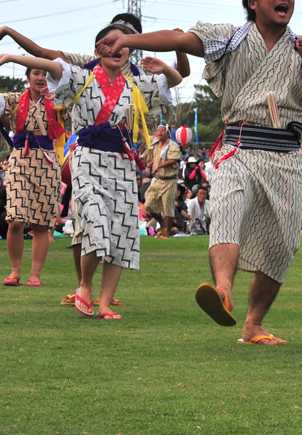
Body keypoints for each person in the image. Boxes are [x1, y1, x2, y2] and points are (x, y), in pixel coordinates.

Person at [96, 0, 302, 344]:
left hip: (285, 154)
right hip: (238, 146)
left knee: (283, 243)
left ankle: (253, 325)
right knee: (227, 212)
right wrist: (131, 41)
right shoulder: (228, 37)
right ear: (253, 1)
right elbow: (180, 39)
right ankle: (223, 292)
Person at [3, 35, 180, 319]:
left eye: (123, 45)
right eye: (110, 44)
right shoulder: (80, 77)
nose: (117, 50)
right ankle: (85, 284)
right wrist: (11, 58)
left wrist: (164, 67)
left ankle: (105, 302)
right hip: (86, 159)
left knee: (121, 232)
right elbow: (45, 60)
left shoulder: (135, 85)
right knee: (96, 222)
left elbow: (175, 80)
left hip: (122, 164)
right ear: (98, 49)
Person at [0, 63, 65, 288]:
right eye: (36, 73)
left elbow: (74, 117)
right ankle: (15, 270)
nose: (41, 77)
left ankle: (35, 274)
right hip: (19, 159)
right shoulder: (15, 98)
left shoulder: (59, 99)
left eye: (46, 74)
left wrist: (59, 98)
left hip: (48, 161)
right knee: (16, 219)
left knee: (41, 223)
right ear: (28, 77)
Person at [142, 125, 183, 240]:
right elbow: (143, 133)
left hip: (169, 180)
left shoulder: (172, 145)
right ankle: (162, 223)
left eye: (162, 130)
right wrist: (135, 125)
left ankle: (167, 232)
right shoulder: (155, 142)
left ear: (168, 134)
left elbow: (173, 160)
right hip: (157, 179)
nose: (159, 132)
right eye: (158, 130)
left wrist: (158, 166)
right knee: (148, 204)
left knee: (168, 207)